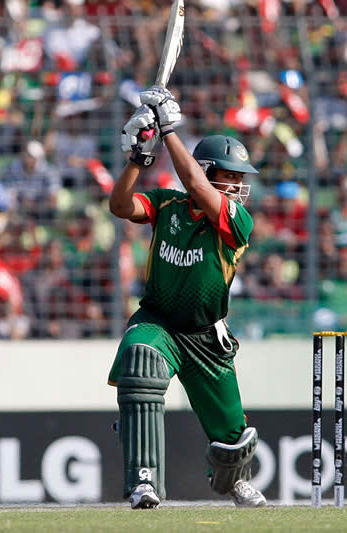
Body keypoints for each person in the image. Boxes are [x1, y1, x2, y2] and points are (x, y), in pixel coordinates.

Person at [107, 85, 266, 509]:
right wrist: (137, 161)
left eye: (239, 178)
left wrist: (169, 128)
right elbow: (120, 206)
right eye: (229, 176)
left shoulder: (236, 221)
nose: (236, 185)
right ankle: (144, 482)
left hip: (205, 335)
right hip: (159, 322)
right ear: (211, 170)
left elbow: (195, 182)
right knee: (140, 360)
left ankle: (232, 482)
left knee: (234, 443)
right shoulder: (167, 206)